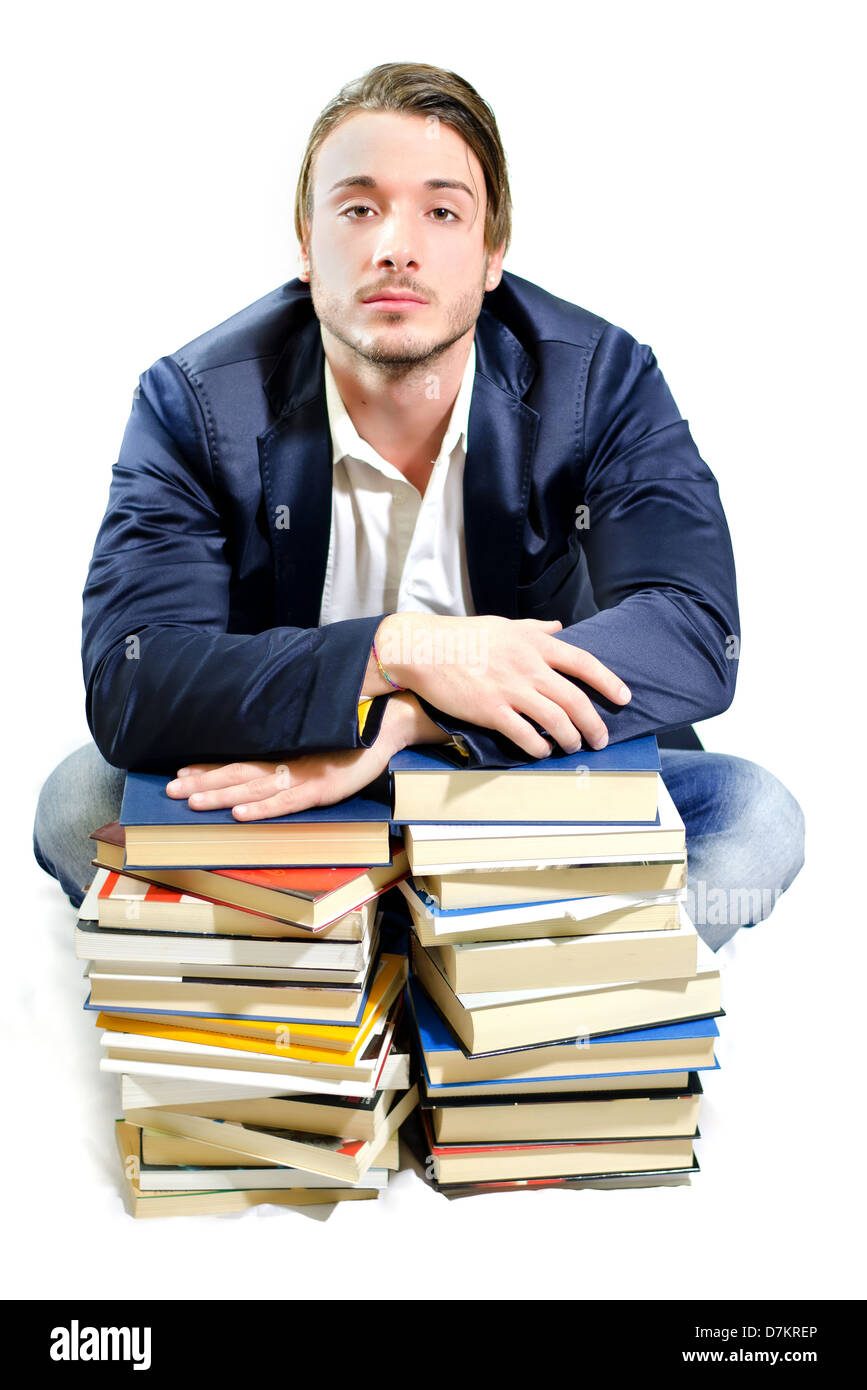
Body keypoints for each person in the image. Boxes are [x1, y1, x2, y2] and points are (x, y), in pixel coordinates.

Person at [32, 61, 804, 952]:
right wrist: (396, 651)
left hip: (518, 781)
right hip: (289, 775)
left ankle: (461, 993)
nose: (396, 245)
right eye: (358, 208)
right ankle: (396, 977)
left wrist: (412, 717)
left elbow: (693, 628)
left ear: (492, 254)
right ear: (305, 239)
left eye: (442, 212)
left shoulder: (600, 378)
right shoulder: (193, 401)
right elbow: (134, 678)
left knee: (755, 815)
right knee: (78, 803)